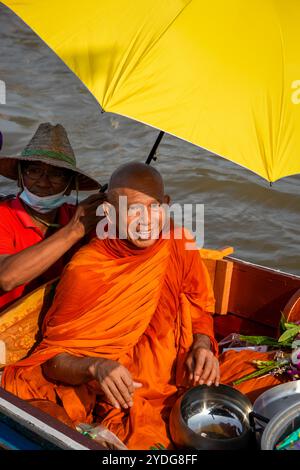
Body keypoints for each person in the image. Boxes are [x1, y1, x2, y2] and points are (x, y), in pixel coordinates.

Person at [2, 161, 219, 450]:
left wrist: (202, 346)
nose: (146, 221)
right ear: (109, 213)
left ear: (166, 205)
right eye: (131, 210)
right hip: (114, 394)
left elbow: (198, 307)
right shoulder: (88, 268)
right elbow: (51, 362)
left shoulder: (179, 242)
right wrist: (95, 367)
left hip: (173, 381)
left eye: (153, 207)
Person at [0, 123, 105, 312]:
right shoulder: (3, 214)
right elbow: (6, 278)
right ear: (20, 176)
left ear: (70, 185)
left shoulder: (79, 215)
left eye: (56, 174)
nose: (43, 181)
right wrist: (75, 230)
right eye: (33, 171)